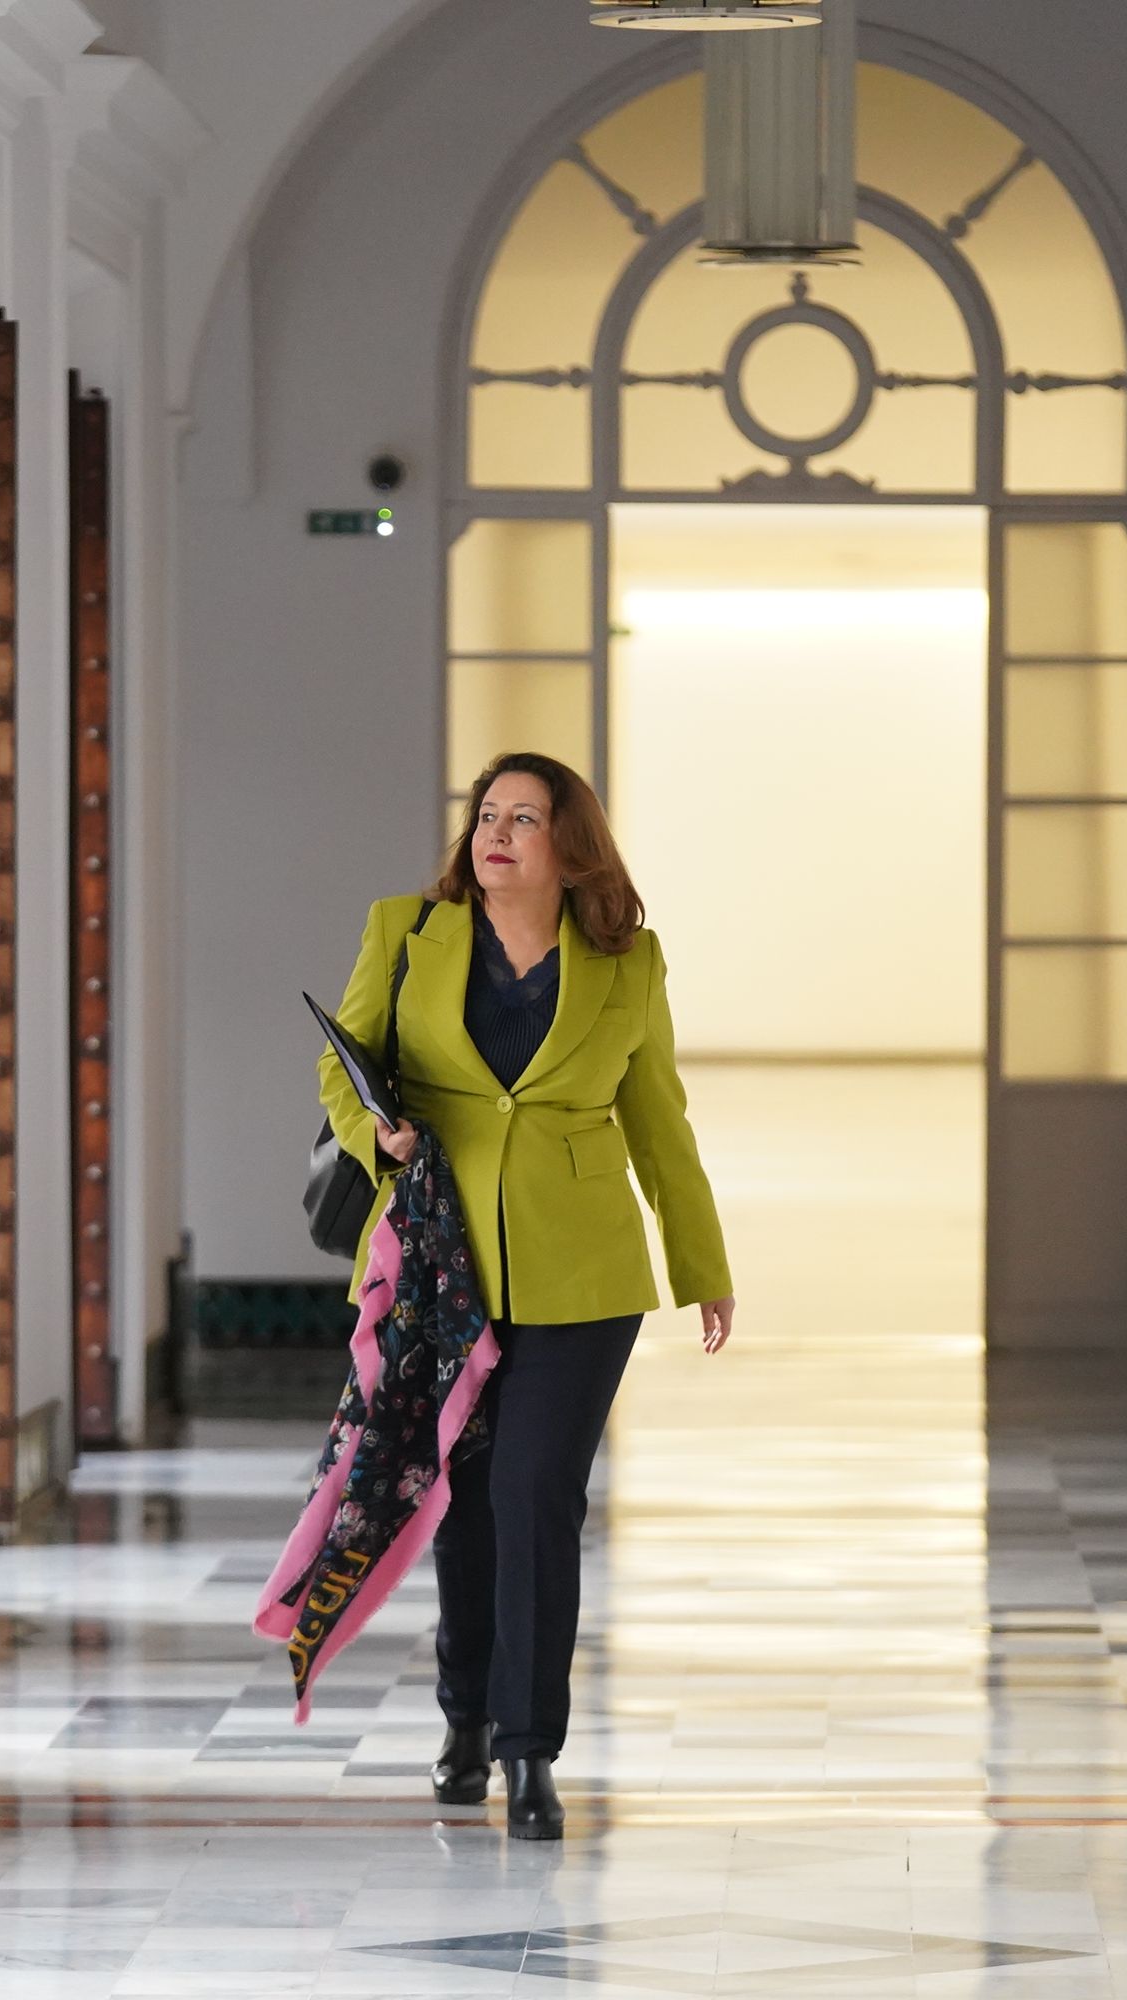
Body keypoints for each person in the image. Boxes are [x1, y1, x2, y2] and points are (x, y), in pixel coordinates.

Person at [316, 751, 736, 1840]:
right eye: (484, 813)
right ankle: (463, 1714)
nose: (494, 833)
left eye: (522, 817)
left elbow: (658, 1121)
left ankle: (526, 1748)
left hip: (581, 1271)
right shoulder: (406, 930)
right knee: (463, 1493)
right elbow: (344, 1062)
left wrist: (701, 1266)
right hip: (441, 1263)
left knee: (537, 1497)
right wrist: (377, 1132)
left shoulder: (624, 961)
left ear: (570, 845)